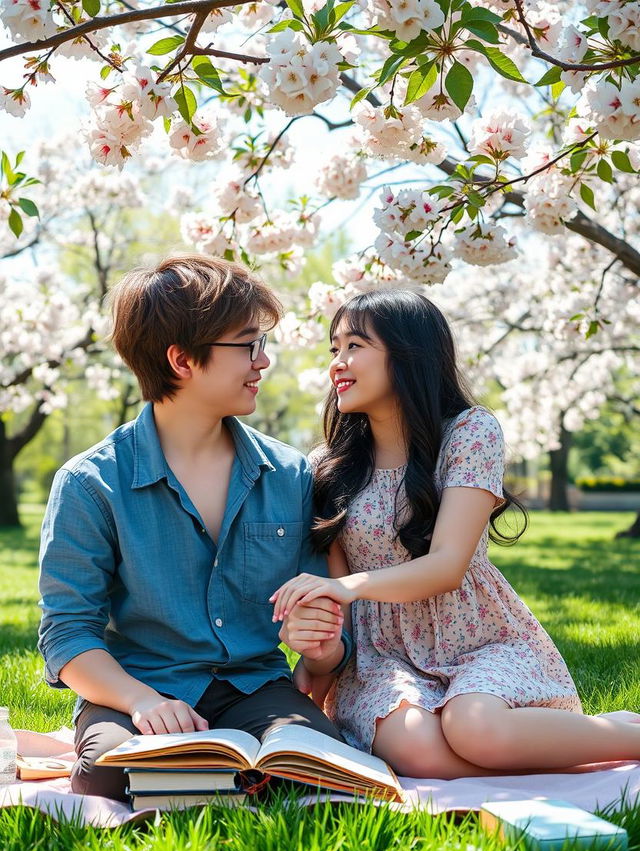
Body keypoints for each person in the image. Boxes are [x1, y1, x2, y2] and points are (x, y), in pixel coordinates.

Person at [271, 289, 640, 778]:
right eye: (333, 349)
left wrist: (346, 586)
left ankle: (622, 733)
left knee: (475, 729)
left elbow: (447, 566)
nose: (338, 362)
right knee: (418, 750)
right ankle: (542, 766)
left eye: (355, 346)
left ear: (409, 355)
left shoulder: (469, 432)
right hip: (383, 655)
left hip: (480, 637)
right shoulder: (328, 467)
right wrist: (317, 663)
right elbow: (337, 613)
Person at [38, 255, 349, 802]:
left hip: (255, 686)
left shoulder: (291, 475)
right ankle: (231, 783)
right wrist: (140, 703)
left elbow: (326, 632)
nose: (264, 360)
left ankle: (224, 780)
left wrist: (320, 646)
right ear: (182, 360)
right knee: (108, 772)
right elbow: (68, 632)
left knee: (314, 758)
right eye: (247, 345)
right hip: (137, 686)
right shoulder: (90, 484)